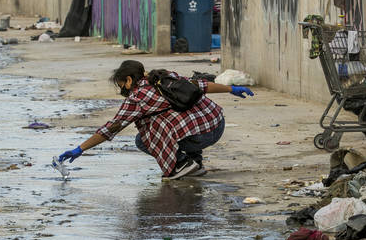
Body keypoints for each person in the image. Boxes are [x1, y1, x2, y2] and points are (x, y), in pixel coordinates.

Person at [57, 60, 253, 180]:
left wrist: (80, 148)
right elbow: (200, 84)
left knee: (144, 137)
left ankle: (182, 164)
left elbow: (112, 128)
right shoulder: (165, 76)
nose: (122, 90)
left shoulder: (137, 98)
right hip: (217, 124)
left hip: (200, 136)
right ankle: (195, 162)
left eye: (121, 84)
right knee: (178, 117)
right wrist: (231, 89)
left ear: (129, 80)